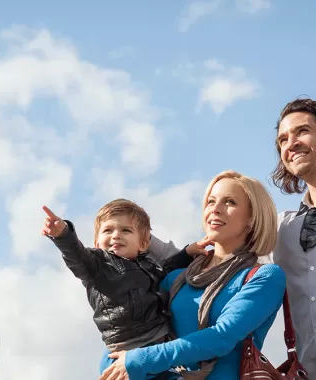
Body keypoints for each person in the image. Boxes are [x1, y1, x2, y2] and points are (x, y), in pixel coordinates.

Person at [99, 171, 286, 380]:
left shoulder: (264, 277)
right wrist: (116, 362)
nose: (215, 209)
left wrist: (138, 360)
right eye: (210, 201)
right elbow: (129, 325)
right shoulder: (176, 278)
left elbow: (222, 337)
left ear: (252, 218)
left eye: (230, 202)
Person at [41, 199, 209, 379]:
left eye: (126, 230)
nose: (116, 235)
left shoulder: (148, 266)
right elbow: (77, 256)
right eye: (108, 230)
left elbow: (166, 271)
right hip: (124, 350)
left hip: (154, 348)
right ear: (97, 242)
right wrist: (63, 235)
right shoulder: (98, 266)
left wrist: (186, 253)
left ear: (143, 244)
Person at [270, 97, 316, 376]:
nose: (291, 143)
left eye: (302, 131)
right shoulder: (280, 229)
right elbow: (218, 251)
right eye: (283, 140)